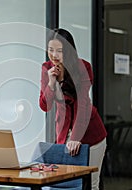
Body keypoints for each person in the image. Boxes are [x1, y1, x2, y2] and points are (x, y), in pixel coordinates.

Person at [39, 28, 107, 190]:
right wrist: (51, 83)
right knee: (64, 183)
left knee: (90, 184)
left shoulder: (83, 67)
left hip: (90, 134)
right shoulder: (46, 68)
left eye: (59, 51)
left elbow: (83, 104)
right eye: (51, 50)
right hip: (64, 133)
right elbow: (44, 106)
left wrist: (76, 136)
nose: (54, 55)